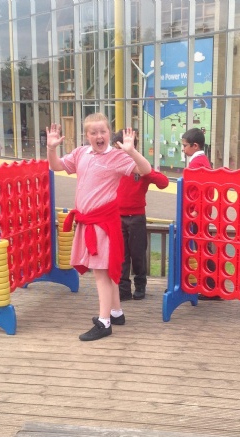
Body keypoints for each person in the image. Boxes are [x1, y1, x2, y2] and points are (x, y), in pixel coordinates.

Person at [46, 114, 152, 341]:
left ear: (108, 133)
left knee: (101, 272)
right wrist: (51, 148)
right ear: (87, 135)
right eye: (93, 132)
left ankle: (104, 322)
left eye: (102, 131)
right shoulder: (80, 153)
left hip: (103, 223)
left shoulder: (116, 157)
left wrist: (132, 151)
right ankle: (116, 313)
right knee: (105, 270)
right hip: (88, 222)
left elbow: (145, 170)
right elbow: (55, 166)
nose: (98, 136)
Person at [113, 129, 169, 301]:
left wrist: (146, 171)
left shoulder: (141, 167)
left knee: (138, 254)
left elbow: (164, 183)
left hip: (136, 217)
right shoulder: (114, 165)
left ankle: (140, 286)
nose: (119, 152)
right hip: (117, 217)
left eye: (122, 148)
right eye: (117, 148)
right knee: (121, 255)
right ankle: (123, 289)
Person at [181, 128, 221, 300]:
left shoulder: (197, 164)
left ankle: (212, 288)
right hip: (201, 213)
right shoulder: (203, 161)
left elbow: (200, 191)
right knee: (203, 248)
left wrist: (195, 211)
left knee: (203, 249)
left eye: (185, 146)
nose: (183, 149)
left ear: (195, 145)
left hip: (197, 214)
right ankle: (210, 286)